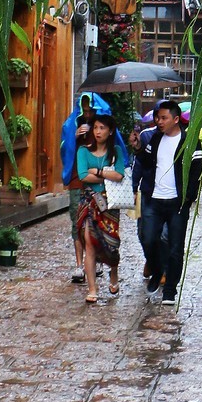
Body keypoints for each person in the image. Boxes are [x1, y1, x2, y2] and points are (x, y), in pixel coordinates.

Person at [131, 98, 202, 307]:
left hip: (177, 203)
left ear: (175, 119)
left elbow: (197, 170)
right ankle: (156, 270)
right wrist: (138, 147)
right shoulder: (155, 139)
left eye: (163, 118)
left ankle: (170, 289)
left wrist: (188, 197)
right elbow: (145, 162)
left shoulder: (189, 141)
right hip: (154, 200)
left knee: (175, 247)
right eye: (157, 117)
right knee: (148, 238)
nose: (159, 121)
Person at [60, 91, 124, 283]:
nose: (87, 114)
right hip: (78, 181)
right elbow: (66, 150)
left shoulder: (105, 130)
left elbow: (118, 165)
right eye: (84, 110)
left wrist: (100, 174)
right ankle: (80, 264)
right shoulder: (72, 124)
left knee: (102, 224)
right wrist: (73, 136)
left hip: (102, 187)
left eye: (90, 110)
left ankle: (95, 260)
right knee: (78, 222)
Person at [75, 113, 125, 303]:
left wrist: (96, 171)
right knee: (90, 244)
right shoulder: (83, 151)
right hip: (89, 202)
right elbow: (82, 176)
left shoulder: (116, 151)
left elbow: (119, 175)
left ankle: (113, 271)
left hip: (110, 204)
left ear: (110, 131)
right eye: (95, 128)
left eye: (102, 128)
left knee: (111, 243)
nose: (98, 131)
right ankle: (92, 288)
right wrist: (107, 175)